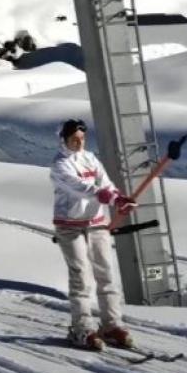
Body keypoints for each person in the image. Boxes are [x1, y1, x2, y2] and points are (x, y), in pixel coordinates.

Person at [50, 118, 137, 351]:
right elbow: (80, 188)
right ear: (64, 140)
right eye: (73, 140)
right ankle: (81, 329)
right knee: (81, 275)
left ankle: (111, 325)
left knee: (106, 273)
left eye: (82, 139)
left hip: (97, 223)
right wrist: (106, 196)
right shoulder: (60, 165)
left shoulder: (90, 158)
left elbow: (105, 184)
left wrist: (118, 198)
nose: (79, 143)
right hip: (70, 225)